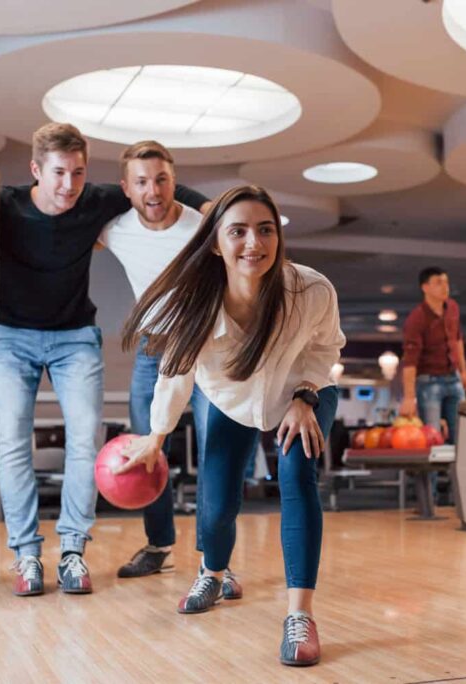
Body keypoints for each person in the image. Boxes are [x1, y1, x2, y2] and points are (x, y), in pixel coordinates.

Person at [0, 123, 209, 597]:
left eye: (78, 173)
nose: (69, 185)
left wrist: (212, 209)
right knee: (12, 443)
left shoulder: (96, 199)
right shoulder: (1, 204)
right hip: (11, 337)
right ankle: (26, 555)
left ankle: (72, 550)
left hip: (75, 338)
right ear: (35, 170)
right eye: (59, 173)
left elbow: (157, 184)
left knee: (85, 438)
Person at [119, 185, 345, 667]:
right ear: (216, 242)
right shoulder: (193, 302)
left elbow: (326, 348)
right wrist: (156, 437)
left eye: (266, 230)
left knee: (296, 476)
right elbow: (175, 375)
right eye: (238, 231)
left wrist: (306, 395)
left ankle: (299, 615)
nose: (253, 243)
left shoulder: (311, 290)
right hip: (230, 401)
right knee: (217, 504)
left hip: (304, 394)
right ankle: (215, 572)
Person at [99, 140, 242, 597]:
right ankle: (159, 546)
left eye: (161, 179)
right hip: (151, 350)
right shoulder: (114, 228)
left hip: (206, 349)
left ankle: (215, 561)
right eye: (141, 182)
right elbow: (65, 217)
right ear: (126, 188)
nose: (153, 191)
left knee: (214, 448)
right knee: (147, 450)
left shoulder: (203, 225)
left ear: (174, 180)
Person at [398, 267, 466, 446]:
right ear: (425, 287)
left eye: (446, 282)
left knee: (461, 436)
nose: (445, 287)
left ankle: (456, 475)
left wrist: (463, 372)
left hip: (454, 378)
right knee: (432, 438)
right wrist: (408, 397)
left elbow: (458, 340)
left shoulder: (453, 308)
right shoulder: (417, 318)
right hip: (429, 382)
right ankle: (432, 476)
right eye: (438, 282)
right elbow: (410, 360)